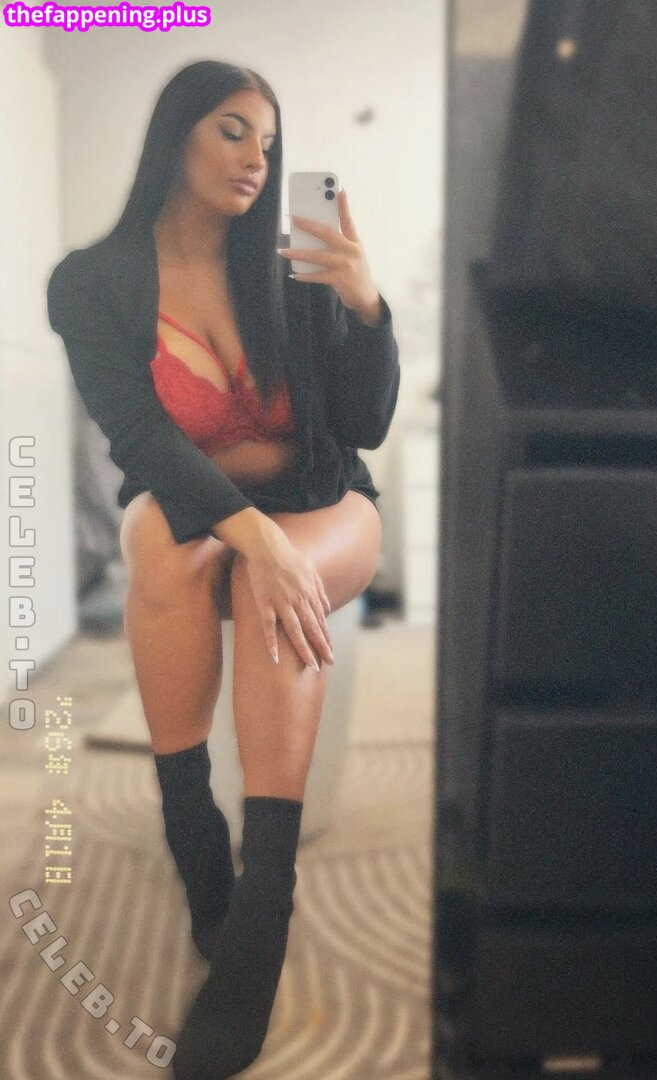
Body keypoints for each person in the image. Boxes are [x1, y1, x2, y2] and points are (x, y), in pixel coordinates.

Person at [46, 60, 399, 1080]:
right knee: (157, 542)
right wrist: (254, 534)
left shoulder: (294, 264)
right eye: (233, 130)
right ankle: (194, 838)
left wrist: (365, 308)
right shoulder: (91, 281)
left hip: (326, 501)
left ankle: (261, 912)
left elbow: (366, 423)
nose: (257, 158)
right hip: (203, 504)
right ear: (177, 135)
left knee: (262, 584)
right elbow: (138, 436)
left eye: (269, 142)